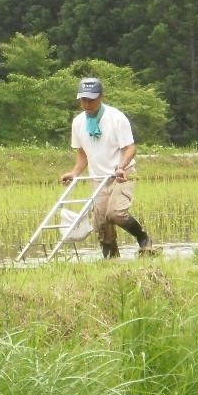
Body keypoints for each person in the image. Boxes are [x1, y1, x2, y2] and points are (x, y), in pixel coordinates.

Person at [59, 77, 153, 259]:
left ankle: (143, 239)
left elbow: (130, 147)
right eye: (83, 99)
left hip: (122, 174)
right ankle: (111, 260)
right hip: (98, 179)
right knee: (101, 223)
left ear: (101, 96)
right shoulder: (78, 123)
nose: (86, 104)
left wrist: (121, 166)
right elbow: (83, 154)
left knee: (115, 213)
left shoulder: (115, 117)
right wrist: (74, 172)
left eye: (91, 99)